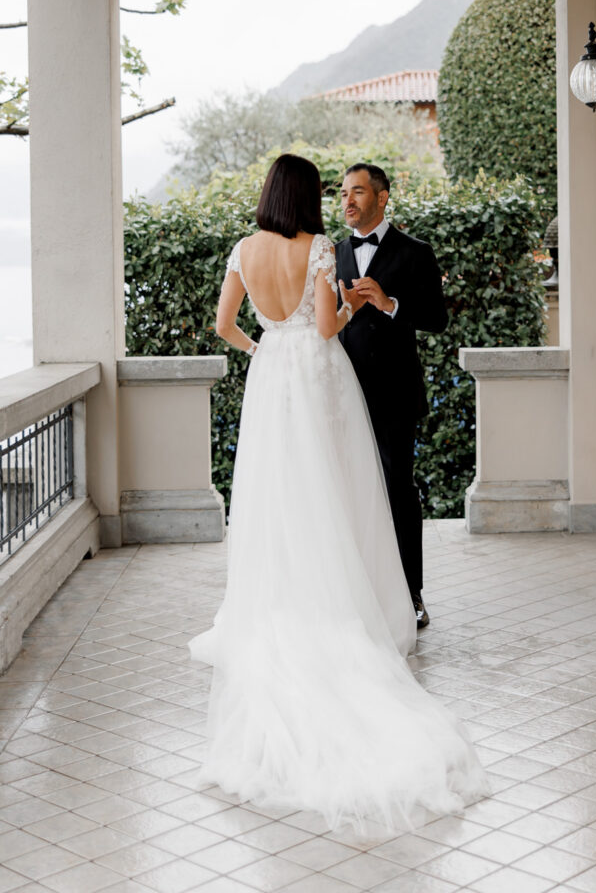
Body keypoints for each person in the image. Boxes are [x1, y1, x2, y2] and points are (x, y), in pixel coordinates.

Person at [189, 153, 487, 831]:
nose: (339, 199)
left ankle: (282, 602)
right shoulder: (320, 247)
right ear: (305, 196)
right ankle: (349, 602)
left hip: (272, 377)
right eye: (328, 190)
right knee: (332, 489)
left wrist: (263, 349)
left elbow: (224, 325)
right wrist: (348, 306)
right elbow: (326, 329)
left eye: (352, 190)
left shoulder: (244, 248)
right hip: (318, 376)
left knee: (277, 493)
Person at [336, 163, 448, 629]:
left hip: (395, 396)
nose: (347, 200)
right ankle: (358, 594)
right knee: (346, 495)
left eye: (358, 192)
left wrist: (389, 304)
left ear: (381, 198)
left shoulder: (415, 252)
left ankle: (411, 594)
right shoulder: (332, 254)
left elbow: (437, 318)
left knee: (399, 492)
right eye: (344, 192)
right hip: (342, 395)